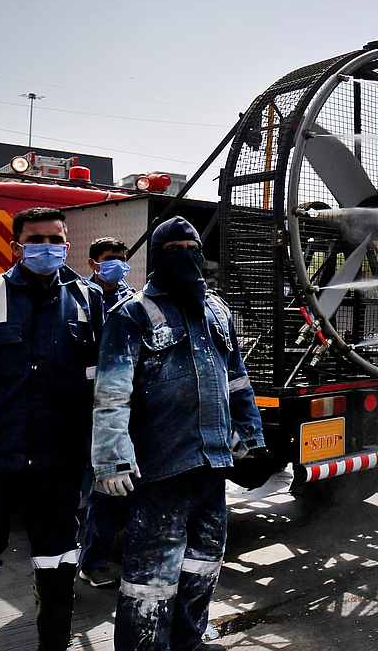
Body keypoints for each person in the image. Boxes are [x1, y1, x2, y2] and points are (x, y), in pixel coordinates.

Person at [91, 216, 265, 651]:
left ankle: (188, 641)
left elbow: (237, 380)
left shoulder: (218, 311)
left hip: (212, 464)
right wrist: (112, 459)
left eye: (191, 248)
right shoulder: (132, 314)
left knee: (204, 564)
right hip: (161, 468)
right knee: (151, 579)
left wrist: (251, 437)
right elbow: (112, 393)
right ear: (156, 258)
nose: (186, 256)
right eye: (174, 250)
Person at [0, 207, 103, 651]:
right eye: (37, 239)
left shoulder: (87, 300)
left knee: (57, 570)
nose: (48, 248)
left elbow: (105, 380)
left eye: (56, 239)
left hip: (58, 466)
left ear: (68, 242)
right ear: (16, 245)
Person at [78, 237, 135, 588]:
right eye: (111, 259)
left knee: (120, 483)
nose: (119, 265)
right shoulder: (80, 298)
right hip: (87, 405)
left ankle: (104, 552)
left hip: (123, 405)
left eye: (123, 259)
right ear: (94, 264)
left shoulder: (131, 299)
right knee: (99, 484)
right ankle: (91, 560)